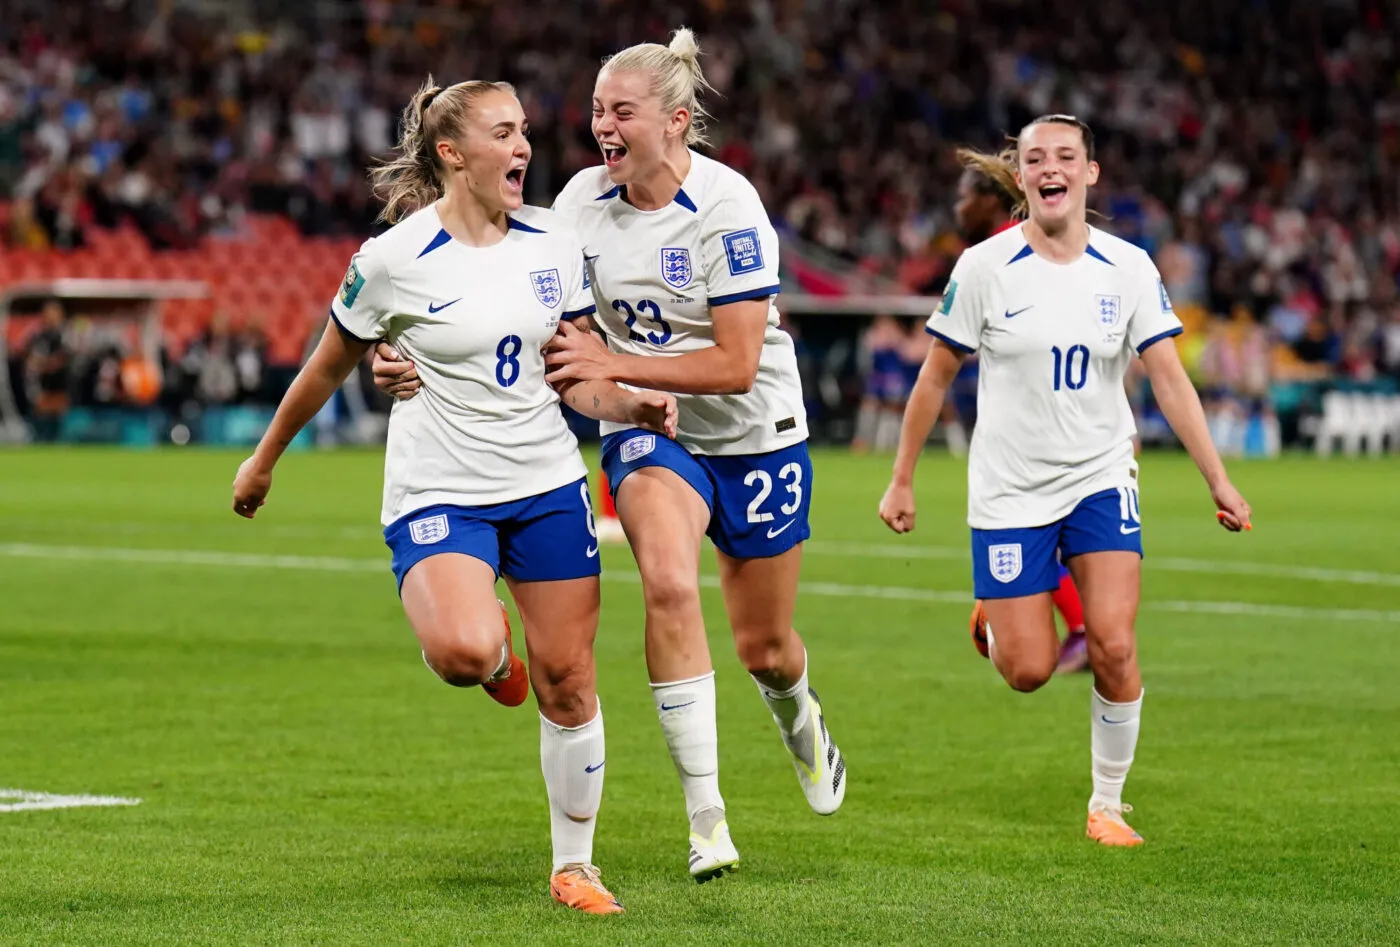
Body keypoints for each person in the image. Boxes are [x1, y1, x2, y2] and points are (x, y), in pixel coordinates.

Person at [372, 30, 846, 884]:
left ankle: (797, 713)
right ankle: (707, 818)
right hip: (649, 430)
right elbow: (496, 285)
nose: (601, 126)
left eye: (619, 111)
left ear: (674, 121)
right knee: (666, 581)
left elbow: (737, 366)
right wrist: (401, 351)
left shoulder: (732, 211)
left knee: (765, 645)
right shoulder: (579, 206)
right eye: (595, 110)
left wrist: (613, 361)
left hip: (753, 431)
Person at [231, 77, 681, 914]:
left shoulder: (552, 242)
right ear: (452, 154)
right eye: (504, 134)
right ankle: (495, 656)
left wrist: (630, 402)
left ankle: (574, 866)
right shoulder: (392, 260)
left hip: (545, 484)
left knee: (571, 678)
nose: (524, 149)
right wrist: (264, 460)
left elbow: (577, 377)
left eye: (524, 132)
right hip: (439, 487)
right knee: (465, 653)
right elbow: (327, 363)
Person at [878, 115, 1252, 847]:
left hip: (1100, 476)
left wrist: (1219, 479)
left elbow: (1169, 380)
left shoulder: (1129, 268)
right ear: (1021, 177)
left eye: (1066, 157)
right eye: (1035, 159)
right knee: (1028, 670)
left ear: (1089, 173)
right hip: (1010, 491)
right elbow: (934, 378)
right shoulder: (984, 269)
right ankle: (994, 617)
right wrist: (901, 479)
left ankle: (1106, 804)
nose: (1051, 168)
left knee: (1112, 641)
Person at [954, 157, 1090, 674]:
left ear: (989, 200)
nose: (957, 206)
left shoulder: (1014, 251)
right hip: (1054, 418)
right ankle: (1086, 631)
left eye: (965, 195)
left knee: (1042, 530)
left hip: (1042, 425)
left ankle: (1080, 631)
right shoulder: (1011, 250)